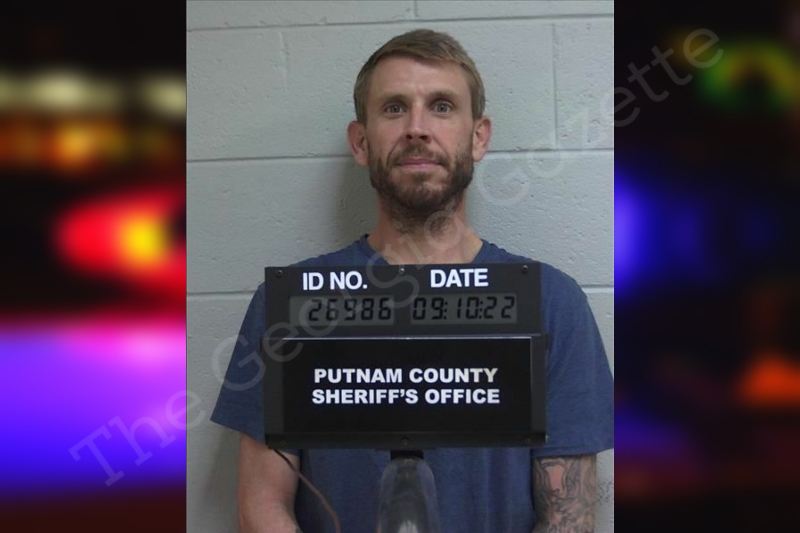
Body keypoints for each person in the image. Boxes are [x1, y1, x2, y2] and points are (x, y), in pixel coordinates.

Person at [211, 29, 613, 533]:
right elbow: (262, 506)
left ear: (479, 137)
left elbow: (567, 517)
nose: (417, 128)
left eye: (442, 107)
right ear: (361, 142)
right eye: (394, 108)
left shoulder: (551, 301)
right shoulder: (290, 302)